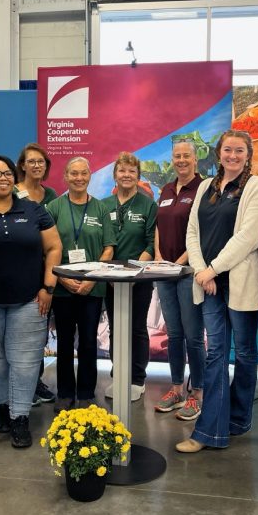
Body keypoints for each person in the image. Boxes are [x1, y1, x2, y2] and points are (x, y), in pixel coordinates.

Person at [176, 129, 258, 453]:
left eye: (239, 151)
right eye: (227, 150)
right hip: (209, 284)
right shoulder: (205, 187)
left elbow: (249, 237)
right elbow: (192, 232)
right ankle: (209, 432)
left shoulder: (256, 187)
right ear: (218, 153)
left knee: (244, 354)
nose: (232, 156)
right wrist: (203, 272)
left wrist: (214, 269)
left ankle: (239, 418)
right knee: (216, 352)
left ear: (248, 155)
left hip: (238, 280)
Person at [0, 155, 62, 448]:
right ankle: (1, 408)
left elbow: (55, 247)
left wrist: (48, 287)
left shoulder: (33, 210)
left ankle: (20, 418)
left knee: (26, 362)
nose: (2, 178)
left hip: (29, 300)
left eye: (7, 173)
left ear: (14, 176)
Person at [45, 157, 116, 412]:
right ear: (65, 176)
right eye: (73, 173)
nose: (78, 178)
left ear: (89, 176)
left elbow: (108, 248)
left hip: (91, 288)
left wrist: (90, 278)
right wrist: (62, 277)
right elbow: (46, 248)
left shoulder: (100, 209)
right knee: (64, 341)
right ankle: (64, 393)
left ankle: (86, 393)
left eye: (83, 173)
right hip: (63, 288)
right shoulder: (54, 207)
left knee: (88, 342)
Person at [153, 139, 205, 420]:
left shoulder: (203, 189)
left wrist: (180, 263)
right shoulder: (166, 189)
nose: (181, 160)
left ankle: (197, 393)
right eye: (177, 156)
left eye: (186, 156)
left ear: (195, 160)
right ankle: (176, 388)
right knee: (173, 335)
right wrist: (160, 257)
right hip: (165, 273)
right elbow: (160, 225)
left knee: (193, 337)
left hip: (188, 273)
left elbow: (201, 232)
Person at [102, 152, 158, 402]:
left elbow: (150, 244)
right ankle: (118, 376)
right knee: (115, 328)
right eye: (122, 170)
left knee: (136, 328)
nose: (126, 175)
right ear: (115, 174)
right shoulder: (103, 204)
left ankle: (137, 378)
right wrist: (108, 273)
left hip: (139, 278)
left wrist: (134, 273)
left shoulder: (148, 205)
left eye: (131, 171)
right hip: (110, 279)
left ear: (138, 176)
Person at [15, 143, 58, 406]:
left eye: (41, 162)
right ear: (22, 165)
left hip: (45, 273)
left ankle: (36, 381)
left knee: (39, 331)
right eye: (31, 161)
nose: (36, 166)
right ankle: (21, 387)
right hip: (20, 269)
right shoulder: (14, 192)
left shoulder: (51, 194)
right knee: (20, 336)